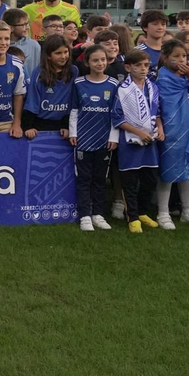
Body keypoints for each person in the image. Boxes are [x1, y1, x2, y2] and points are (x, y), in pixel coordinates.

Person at [154, 40, 189, 229]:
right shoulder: (162, 78)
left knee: (188, 171)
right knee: (168, 171)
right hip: (170, 131)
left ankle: (188, 210)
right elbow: (159, 105)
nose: (180, 60)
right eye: (176, 56)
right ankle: (163, 213)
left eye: (184, 56)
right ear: (165, 57)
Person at [111, 50, 162, 232]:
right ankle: (132, 216)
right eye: (138, 65)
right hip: (130, 140)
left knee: (150, 180)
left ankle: (142, 212)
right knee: (130, 182)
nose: (143, 69)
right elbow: (117, 117)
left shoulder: (152, 87)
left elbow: (156, 113)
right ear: (128, 67)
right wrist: (138, 132)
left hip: (150, 140)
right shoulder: (122, 89)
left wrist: (160, 128)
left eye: (146, 65)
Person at [69, 45, 116, 230]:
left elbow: (116, 114)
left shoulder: (113, 84)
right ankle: (84, 216)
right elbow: (74, 110)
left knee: (99, 179)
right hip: (83, 139)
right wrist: (73, 132)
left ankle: (98, 214)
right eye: (95, 60)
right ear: (87, 62)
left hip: (103, 140)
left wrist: (114, 137)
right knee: (84, 179)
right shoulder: (79, 83)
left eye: (103, 60)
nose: (100, 63)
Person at [22, 32, 75, 142]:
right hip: (40, 124)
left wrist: (67, 125)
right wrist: (28, 126)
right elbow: (32, 100)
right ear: (48, 56)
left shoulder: (74, 71)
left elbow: (72, 101)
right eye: (58, 53)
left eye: (66, 52)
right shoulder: (39, 72)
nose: (63, 56)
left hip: (63, 125)